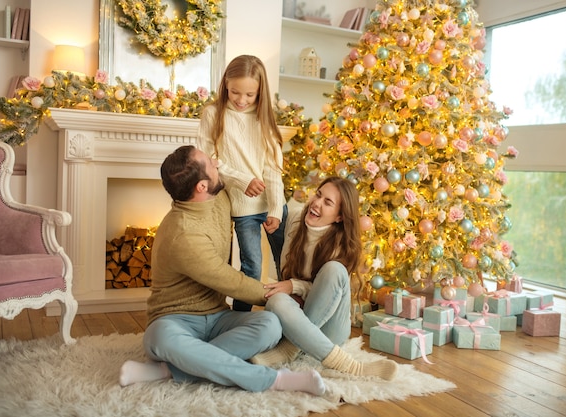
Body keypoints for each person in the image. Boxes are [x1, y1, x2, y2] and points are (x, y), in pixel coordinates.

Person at [118, 145, 325, 396]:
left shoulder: (219, 198)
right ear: (201, 187)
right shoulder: (183, 233)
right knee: (161, 339)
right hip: (174, 321)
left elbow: (241, 162)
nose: (217, 163)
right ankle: (276, 380)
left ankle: (168, 370)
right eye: (210, 163)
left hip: (217, 317)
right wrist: (282, 295)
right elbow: (231, 281)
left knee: (270, 324)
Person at [250, 177, 399, 381]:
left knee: (334, 270)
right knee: (276, 299)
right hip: (297, 319)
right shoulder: (294, 221)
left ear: (339, 217)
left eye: (327, 202)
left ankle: (333, 361)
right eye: (318, 195)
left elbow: (329, 293)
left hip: (330, 326)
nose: (316, 203)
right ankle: (295, 347)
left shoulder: (341, 245)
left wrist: (294, 285)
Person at [197, 54, 287, 312]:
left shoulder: (264, 120)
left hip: (272, 204)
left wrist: (275, 211)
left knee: (286, 265)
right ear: (226, 83)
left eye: (250, 95)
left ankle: (288, 315)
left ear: (260, 92)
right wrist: (241, 180)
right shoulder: (213, 115)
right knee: (252, 267)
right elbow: (208, 162)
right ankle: (240, 318)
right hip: (243, 208)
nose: (241, 100)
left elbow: (273, 170)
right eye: (236, 92)